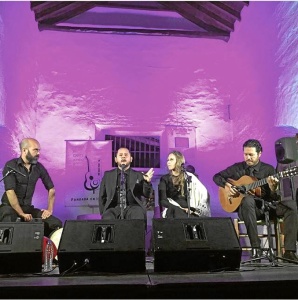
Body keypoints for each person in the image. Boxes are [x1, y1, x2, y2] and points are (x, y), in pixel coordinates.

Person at [213, 139, 298, 262]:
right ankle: (256, 248)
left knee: (291, 207)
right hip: (248, 210)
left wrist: (273, 189)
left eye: (251, 155)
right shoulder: (237, 168)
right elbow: (216, 177)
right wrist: (227, 185)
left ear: (259, 154)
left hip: (267, 207)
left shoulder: (268, 170)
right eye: (245, 154)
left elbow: (275, 197)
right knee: (247, 200)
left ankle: (289, 251)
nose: (248, 158)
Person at [0, 138, 62, 237]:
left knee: (55, 223)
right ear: (24, 150)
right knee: (8, 216)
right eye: (35, 150)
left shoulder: (39, 167)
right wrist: (21, 214)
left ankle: (46, 250)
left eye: (39, 150)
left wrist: (49, 210)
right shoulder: (11, 166)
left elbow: (51, 189)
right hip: (9, 207)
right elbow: (10, 192)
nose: (38, 153)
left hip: (28, 208)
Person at [99, 147, 154, 220]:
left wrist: (147, 182)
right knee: (107, 216)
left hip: (133, 208)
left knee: (138, 214)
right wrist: (103, 212)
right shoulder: (108, 175)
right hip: (114, 208)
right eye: (120, 155)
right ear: (115, 159)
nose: (123, 156)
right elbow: (102, 196)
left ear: (131, 159)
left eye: (126, 155)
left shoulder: (138, 175)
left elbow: (147, 194)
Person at [158, 150, 210, 218]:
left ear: (179, 161)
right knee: (178, 213)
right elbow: (162, 200)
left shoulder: (188, 177)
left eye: (171, 160)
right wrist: (179, 208)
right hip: (173, 210)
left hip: (188, 210)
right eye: (168, 160)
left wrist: (192, 209)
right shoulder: (164, 179)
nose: (168, 162)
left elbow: (203, 193)